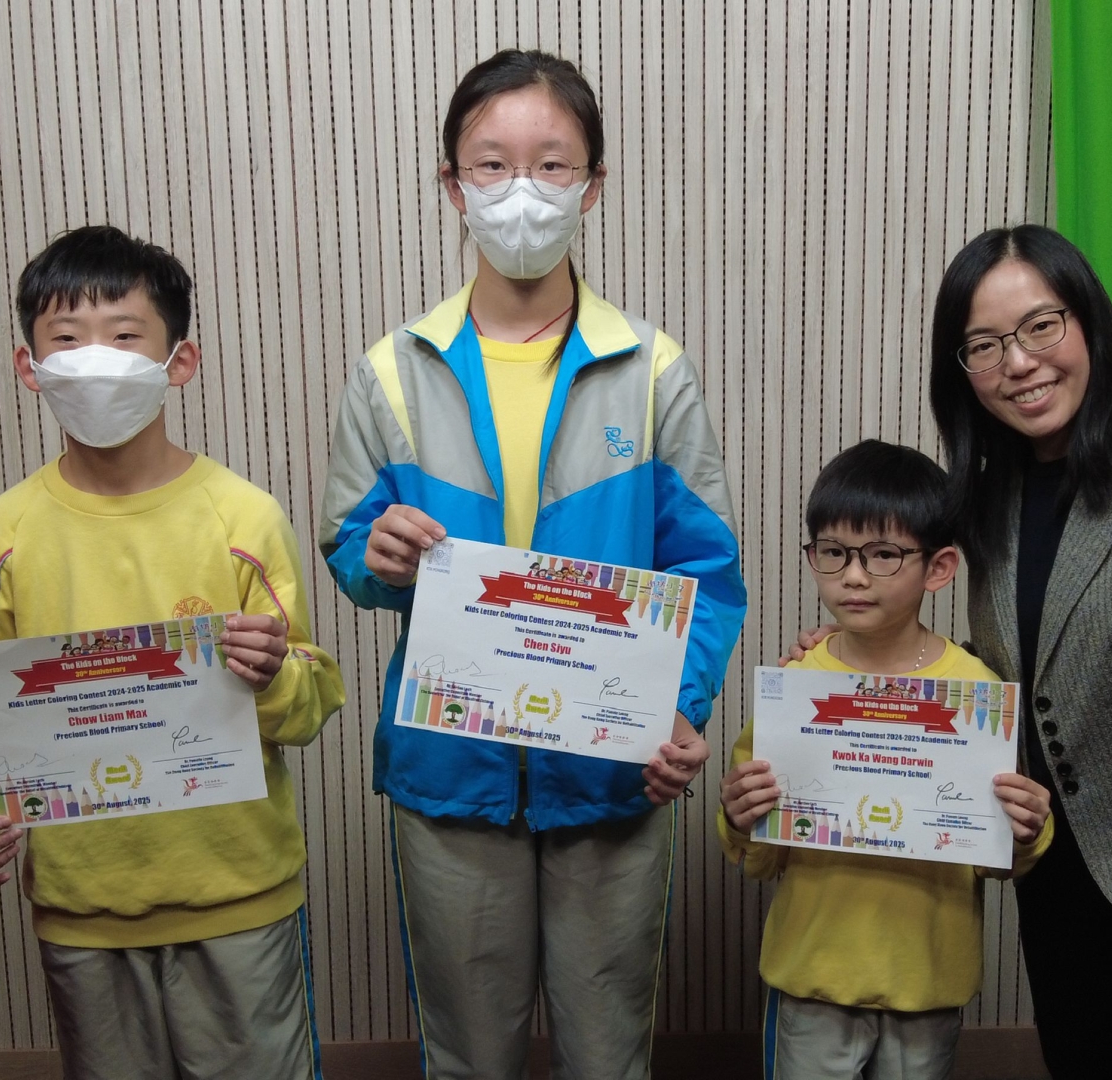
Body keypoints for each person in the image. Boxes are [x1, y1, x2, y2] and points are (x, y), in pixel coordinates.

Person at [791, 225, 1112, 1078]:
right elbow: (1020, 665)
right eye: (985, 345)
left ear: (1089, 326)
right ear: (962, 371)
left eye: (1041, 326)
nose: (1019, 362)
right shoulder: (987, 501)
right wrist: (858, 662)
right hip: (1050, 873)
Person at [318, 49, 746, 1080]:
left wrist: (679, 707)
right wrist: (377, 555)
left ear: (592, 186)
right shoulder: (392, 370)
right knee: (471, 1054)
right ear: (452, 184)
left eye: (552, 165)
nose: (521, 191)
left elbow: (704, 569)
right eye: (491, 163)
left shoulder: (652, 367)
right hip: (450, 774)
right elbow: (348, 546)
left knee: (608, 1052)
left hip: (610, 766)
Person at [0, 226, 345, 1080]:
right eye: (66, 338)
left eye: (125, 335)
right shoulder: (1, 534)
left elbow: (310, 701)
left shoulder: (243, 517)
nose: (95, 360)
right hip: (82, 902)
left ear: (179, 360)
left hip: (240, 891)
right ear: (29, 367)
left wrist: (274, 675)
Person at [721, 440, 1052, 1080]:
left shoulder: (977, 694)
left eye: (883, 555)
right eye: (833, 551)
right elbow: (756, 852)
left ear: (939, 567)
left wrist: (1029, 831)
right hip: (813, 972)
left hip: (927, 978)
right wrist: (738, 818)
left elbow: (1000, 856)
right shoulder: (797, 685)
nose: (853, 576)